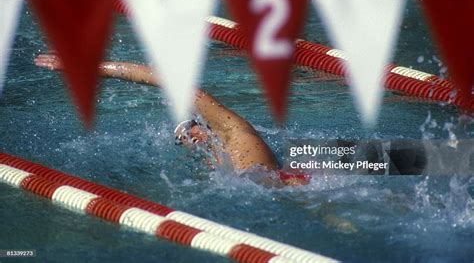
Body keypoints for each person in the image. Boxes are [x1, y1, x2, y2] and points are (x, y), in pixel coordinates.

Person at [34, 53, 309, 186]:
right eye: (182, 140)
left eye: (190, 129)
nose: (188, 138)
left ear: (203, 124)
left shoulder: (232, 131)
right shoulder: (213, 164)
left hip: (298, 185)